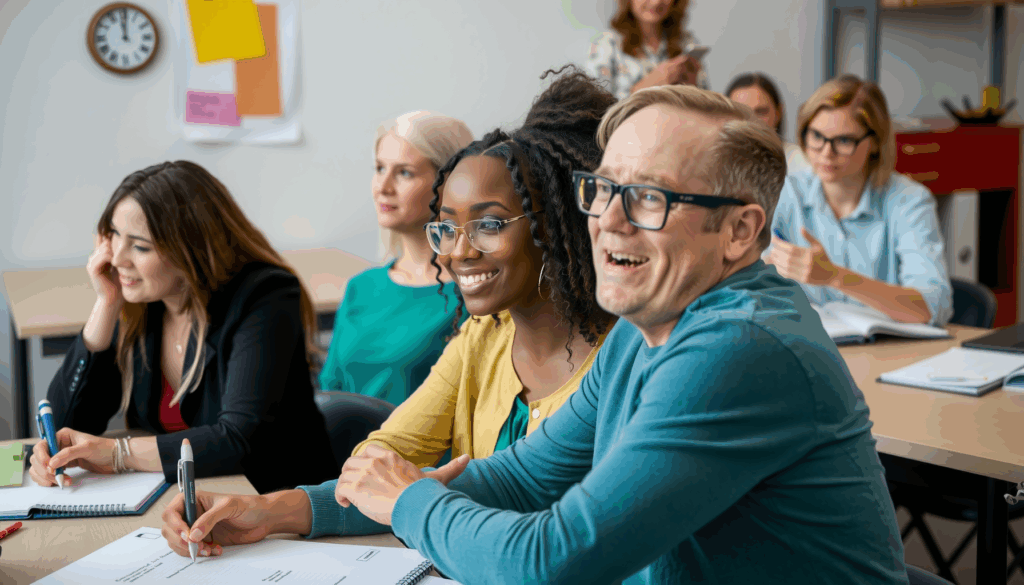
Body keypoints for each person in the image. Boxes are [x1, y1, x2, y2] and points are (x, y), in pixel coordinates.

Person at [160, 86, 909, 584]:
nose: (608, 220)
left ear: (742, 231)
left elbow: (555, 557)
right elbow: (520, 477)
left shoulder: (738, 347)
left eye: (648, 197)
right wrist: (280, 509)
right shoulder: (649, 329)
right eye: (604, 189)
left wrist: (408, 501)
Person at [28, 161, 337, 494]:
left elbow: (238, 439)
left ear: (191, 250)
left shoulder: (266, 296)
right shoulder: (144, 305)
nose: (117, 259)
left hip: (275, 503)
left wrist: (118, 453)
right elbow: (65, 426)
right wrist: (106, 305)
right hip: (188, 496)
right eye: (114, 235)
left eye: (140, 246)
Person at [766, 74, 952, 326]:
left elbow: (931, 307)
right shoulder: (787, 192)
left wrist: (835, 276)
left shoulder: (909, 201)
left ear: (875, 142)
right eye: (817, 136)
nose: (826, 153)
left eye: (844, 140)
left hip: (893, 350)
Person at [318, 111, 473, 409]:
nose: (383, 187)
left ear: (449, 184)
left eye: (404, 173)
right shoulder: (361, 287)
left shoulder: (472, 295)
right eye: (379, 168)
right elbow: (328, 395)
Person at [586, 0, 708, 100]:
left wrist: (692, 90)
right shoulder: (606, 45)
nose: (656, 2)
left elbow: (708, 104)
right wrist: (649, 85)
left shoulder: (687, 43)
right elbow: (597, 113)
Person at [725, 71, 810, 174]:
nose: (751, 121)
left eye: (761, 112)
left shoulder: (804, 164)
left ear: (778, 113)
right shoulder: (714, 165)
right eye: (741, 113)